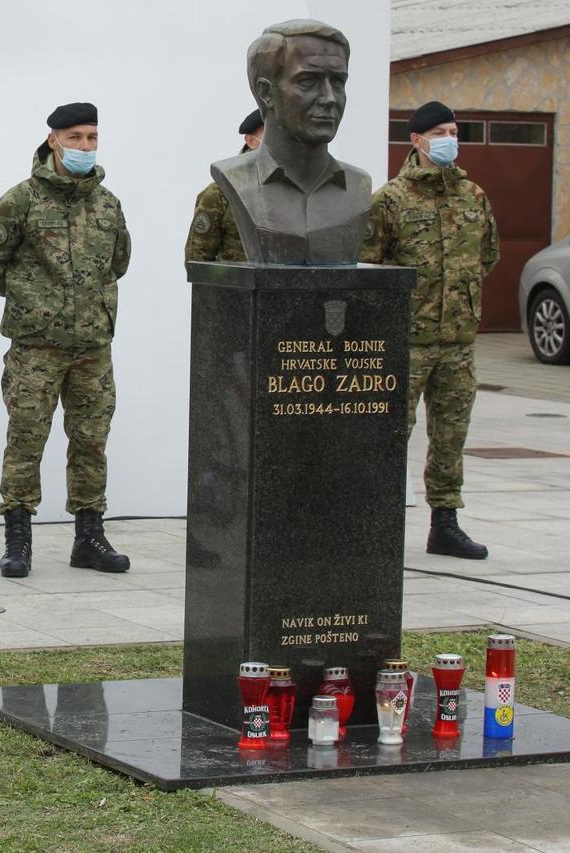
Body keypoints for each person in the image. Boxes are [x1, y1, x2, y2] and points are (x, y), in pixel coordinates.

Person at [0, 102, 132, 579]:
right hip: (36, 347)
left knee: (91, 441)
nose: (85, 146)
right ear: (53, 140)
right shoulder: (20, 200)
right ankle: (18, 539)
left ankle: (90, 537)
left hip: (92, 347)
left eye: (92, 137)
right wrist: (32, 300)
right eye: (75, 137)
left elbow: (119, 261)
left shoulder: (107, 204)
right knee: (26, 439)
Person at [362, 100, 499, 560]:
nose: (449, 140)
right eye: (440, 133)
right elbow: (368, 266)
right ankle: (373, 525)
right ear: (417, 140)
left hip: (458, 342)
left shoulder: (473, 196)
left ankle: (445, 524)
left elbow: (487, 256)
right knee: (388, 434)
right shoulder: (390, 199)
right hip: (406, 341)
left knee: (451, 436)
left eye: (454, 132)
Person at [211, 19, 371, 264]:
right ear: (266, 92)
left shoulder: (358, 185)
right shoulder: (236, 180)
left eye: (338, 82)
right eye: (308, 81)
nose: (330, 98)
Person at [184, 109, 262, 263]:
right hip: (237, 279)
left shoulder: (301, 189)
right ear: (251, 141)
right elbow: (198, 261)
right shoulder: (221, 193)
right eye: (270, 134)